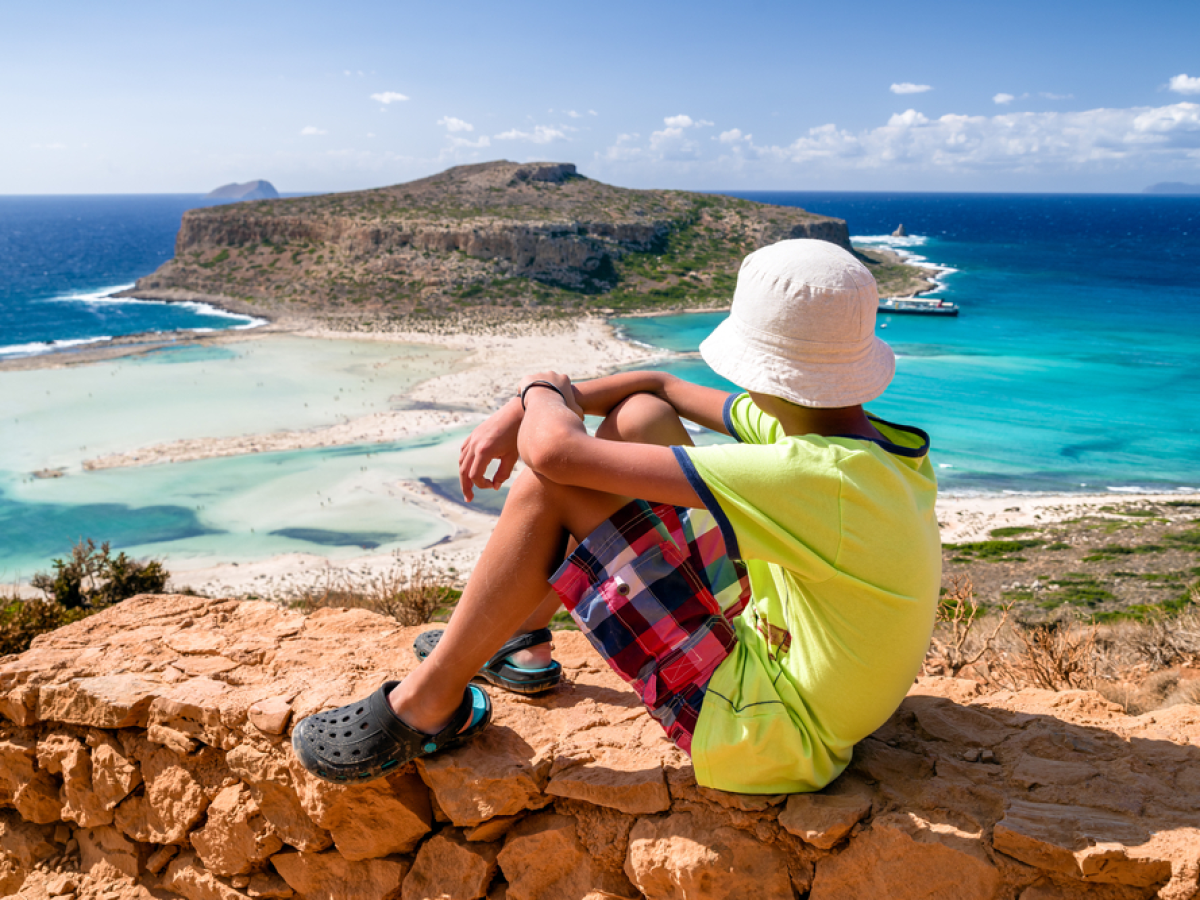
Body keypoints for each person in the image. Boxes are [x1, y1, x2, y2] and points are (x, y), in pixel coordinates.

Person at [292, 238, 941, 794]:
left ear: (763, 369)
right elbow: (655, 388)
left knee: (551, 486)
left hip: (769, 732)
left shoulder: (811, 479)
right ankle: (520, 639)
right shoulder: (866, 448)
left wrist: (537, 388)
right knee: (639, 422)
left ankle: (427, 705)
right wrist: (532, 408)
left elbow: (555, 454)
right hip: (789, 658)